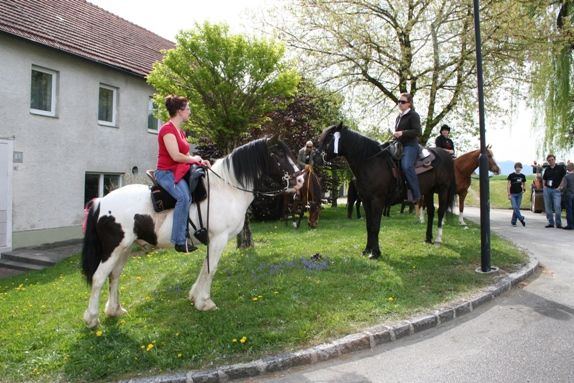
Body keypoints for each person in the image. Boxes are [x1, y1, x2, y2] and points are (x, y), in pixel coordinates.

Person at [155, 95, 209, 253]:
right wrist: (193, 159)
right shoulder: (167, 130)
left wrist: (199, 161)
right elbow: (176, 156)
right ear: (179, 111)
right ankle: (179, 240)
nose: (190, 112)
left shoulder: (180, 132)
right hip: (166, 173)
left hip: (178, 171)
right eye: (188, 109)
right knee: (184, 197)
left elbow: (185, 155)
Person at [393, 92, 422, 202]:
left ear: (409, 104)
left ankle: (416, 195)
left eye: (403, 102)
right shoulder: (398, 117)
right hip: (399, 145)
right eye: (399, 101)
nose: (400, 104)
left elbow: (418, 131)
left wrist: (402, 133)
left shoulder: (414, 115)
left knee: (406, 166)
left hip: (410, 146)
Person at [540, 154, 566, 228]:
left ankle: (558, 223)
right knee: (548, 207)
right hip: (547, 189)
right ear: (548, 161)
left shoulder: (560, 168)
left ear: (555, 159)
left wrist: (560, 187)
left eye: (552, 159)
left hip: (556, 190)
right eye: (549, 160)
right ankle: (550, 222)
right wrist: (544, 186)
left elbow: (564, 178)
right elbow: (544, 179)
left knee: (557, 206)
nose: (551, 161)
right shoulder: (547, 169)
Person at [506, 162, 526, 227]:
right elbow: (508, 185)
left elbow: (524, 184)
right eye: (517, 167)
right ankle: (521, 218)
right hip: (512, 194)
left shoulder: (522, 176)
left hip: (519, 194)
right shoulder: (511, 175)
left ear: (521, 168)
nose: (518, 168)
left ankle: (513, 222)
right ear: (515, 168)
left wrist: (523, 189)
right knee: (515, 207)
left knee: (516, 208)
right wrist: (509, 194)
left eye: (519, 167)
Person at [558, 162, 574, 230]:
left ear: (569, 168)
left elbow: (563, 187)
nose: (566, 167)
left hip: (568, 195)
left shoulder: (566, 176)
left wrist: (559, 190)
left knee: (569, 210)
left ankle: (570, 225)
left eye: (567, 166)